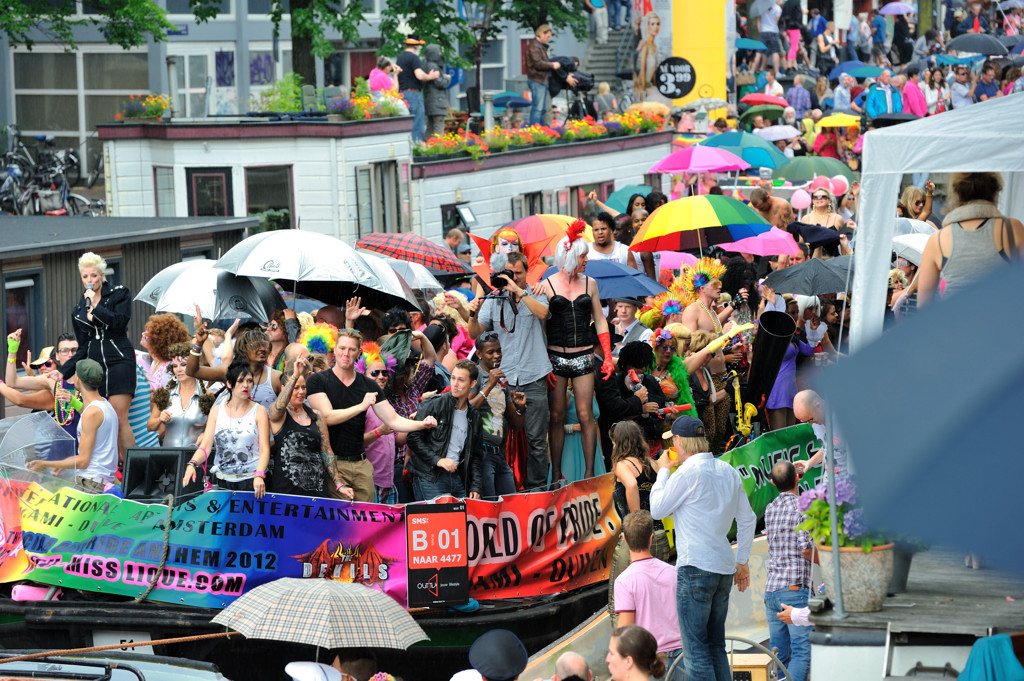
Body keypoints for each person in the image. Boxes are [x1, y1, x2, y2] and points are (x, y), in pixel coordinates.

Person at [306, 329, 438, 502]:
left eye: (352, 349)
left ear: (359, 352)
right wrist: (361, 406)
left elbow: (393, 420)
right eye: (342, 348)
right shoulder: (318, 380)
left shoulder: (368, 385)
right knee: (339, 523)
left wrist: (422, 424)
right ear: (335, 349)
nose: (346, 354)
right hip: (334, 464)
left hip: (362, 465)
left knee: (366, 523)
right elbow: (327, 417)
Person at [460, 251, 551, 491]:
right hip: (504, 377)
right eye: (508, 274)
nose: (513, 278)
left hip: (533, 375)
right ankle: (505, 487)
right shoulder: (494, 298)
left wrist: (519, 290)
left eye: (518, 274)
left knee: (537, 440)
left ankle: (537, 489)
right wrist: (473, 312)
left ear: (525, 272)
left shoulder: (536, 293)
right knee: (500, 437)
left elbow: (543, 314)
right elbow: (474, 333)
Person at [540, 221, 615, 484]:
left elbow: (601, 321)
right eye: (583, 255)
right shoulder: (547, 285)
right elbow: (541, 325)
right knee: (557, 415)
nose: (587, 259)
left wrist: (607, 355)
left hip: (583, 354)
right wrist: (542, 364)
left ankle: (590, 474)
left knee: (586, 414)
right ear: (570, 255)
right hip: (555, 356)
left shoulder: (590, 284)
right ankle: (557, 474)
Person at [60, 252, 136, 457]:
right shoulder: (78, 310)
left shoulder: (120, 293)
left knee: (119, 418)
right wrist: (63, 371)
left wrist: (96, 306)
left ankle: (133, 469)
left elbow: (120, 322)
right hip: (95, 363)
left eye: (94, 276)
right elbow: (83, 346)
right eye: (85, 277)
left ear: (102, 275)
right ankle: (111, 468)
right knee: (101, 417)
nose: (90, 281)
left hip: (119, 357)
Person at [918, 172, 1024, 305]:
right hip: (1001, 322)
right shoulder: (1012, 229)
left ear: (957, 194)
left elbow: (923, 305)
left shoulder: (937, 239)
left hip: (955, 322)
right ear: (995, 192)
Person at [27, 359, 118, 493]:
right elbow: (92, 418)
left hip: (91, 483)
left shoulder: (91, 413)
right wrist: (74, 402)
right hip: (100, 481)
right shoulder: (105, 405)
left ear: (79, 380)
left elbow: (83, 461)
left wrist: (43, 464)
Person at [182, 361, 271, 497]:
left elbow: (265, 449)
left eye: (249, 381)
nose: (245, 385)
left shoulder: (259, 411)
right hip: (222, 481)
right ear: (229, 384)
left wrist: (259, 475)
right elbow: (206, 446)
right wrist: (192, 464)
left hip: (250, 481)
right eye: (240, 381)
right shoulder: (217, 411)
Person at [269, 356, 351, 499]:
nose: (301, 392)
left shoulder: (317, 416)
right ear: (284, 389)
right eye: (295, 388)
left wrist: (339, 483)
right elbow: (279, 406)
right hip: (286, 491)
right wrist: (295, 375)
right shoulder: (279, 414)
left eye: (303, 387)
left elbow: (326, 451)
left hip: (316, 490)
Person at [614, 510, 683, 679]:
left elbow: (625, 632)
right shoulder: (674, 572)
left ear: (624, 539)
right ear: (651, 538)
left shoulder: (624, 581)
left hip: (652, 663)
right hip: (683, 659)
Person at [405, 359, 482, 500]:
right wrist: (438, 460)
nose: (455, 384)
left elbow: (475, 455)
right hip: (429, 476)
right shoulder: (434, 403)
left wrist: (476, 485)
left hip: (457, 477)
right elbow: (413, 438)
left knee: (460, 521)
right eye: (453, 378)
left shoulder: (474, 416)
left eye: (461, 380)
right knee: (436, 521)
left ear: (472, 384)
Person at [764, 460, 813, 681]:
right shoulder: (803, 505)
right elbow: (806, 549)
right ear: (797, 478)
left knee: (777, 653)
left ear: (773, 482)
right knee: (801, 652)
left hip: (772, 590)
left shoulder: (770, 508)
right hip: (794, 590)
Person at [3, 331, 81, 451]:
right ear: (58, 356)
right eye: (65, 350)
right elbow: (12, 382)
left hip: (87, 454)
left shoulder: (88, 379)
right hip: (60, 455)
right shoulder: (52, 383)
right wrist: (12, 352)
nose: (70, 355)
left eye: (74, 350)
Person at [471, 333, 525, 499]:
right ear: (479, 354)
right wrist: (489, 384)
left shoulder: (502, 380)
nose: (497, 355)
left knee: (511, 505)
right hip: (482, 454)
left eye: (499, 350)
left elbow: (516, 424)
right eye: (491, 352)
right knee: (489, 508)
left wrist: (521, 408)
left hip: (500, 455)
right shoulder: (474, 375)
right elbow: (467, 408)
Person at [187, 323, 281, 410]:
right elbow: (192, 371)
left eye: (265, 345)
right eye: (256, 345)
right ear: (243, 348)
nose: (262, 349)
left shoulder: (276, 377)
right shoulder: (229, 372)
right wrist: (198, 344)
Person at [148, 342, 213, 447]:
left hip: (197, 458)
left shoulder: (207, 394)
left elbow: (217, 426)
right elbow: (150, 426)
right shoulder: (164, 393)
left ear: (193, 366)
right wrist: (160, 418)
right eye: (175, 366)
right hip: (170, 458)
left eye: (183, 365)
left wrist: (206, 435)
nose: (178, 370)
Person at [356, 341, 398, 504]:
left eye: (384, 372)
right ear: (363, 375)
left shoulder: (386, 404)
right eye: (374, 373)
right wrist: (379, 431)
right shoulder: (360, 405)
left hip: (389, 483)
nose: (381, 376)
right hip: (369, 483)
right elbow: (355, 443)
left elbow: (398, 439)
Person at [396, 35, 441, 143]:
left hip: (402, 95)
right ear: (416, 46)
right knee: (418, 125)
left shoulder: (400, 58)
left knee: (406, 125)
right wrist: (431, 76)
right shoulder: (414, 58)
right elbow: (419, 75)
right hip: (413, 95)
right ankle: (416, 151)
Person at [138, 313, 190, 391]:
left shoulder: (167, 369)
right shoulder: (156, 362)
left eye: (148, 333)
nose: (143, 334)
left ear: (159, 340)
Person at [526, 25, 563, 127]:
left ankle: (540, 130)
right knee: (538, 108)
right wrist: (552, 65)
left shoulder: (539, 46)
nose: (549, 39)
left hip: (542, 80)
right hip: (537, 80)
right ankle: (535, 131)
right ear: (542, 34)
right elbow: (538, 63)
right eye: (548, 36)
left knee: (543, 109)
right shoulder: (534, 46)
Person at [423, 44, 452, 139]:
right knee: (438, 128)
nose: (440, 54)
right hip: (438, 102)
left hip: (430, 101)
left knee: (430, 127)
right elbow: (440, 83)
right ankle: (437, 149)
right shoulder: (434, 66)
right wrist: (447, 79)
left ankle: (426, 147)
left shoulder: (425, 64)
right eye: (438, 51)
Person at [635, 12, 662, 100]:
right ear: (647, 26)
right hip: (643, 85)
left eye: (658, 24)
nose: (655, 27)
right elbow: (642, 70)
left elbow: (653, 69)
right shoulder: (645, 44)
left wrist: (655, 84)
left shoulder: (654, 45)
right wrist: (643, 90)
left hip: (650, 85)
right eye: (652, 24)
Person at [756, 0, 783, 74]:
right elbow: (777, 21)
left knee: (760, 52)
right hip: (773, 32)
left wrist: (760, 31)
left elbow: (758, 20)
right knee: (775, 52)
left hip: (763, 32)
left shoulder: (761, 8)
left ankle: (755, 70)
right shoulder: (777, 8)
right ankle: (777, 72)